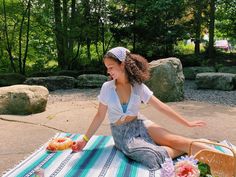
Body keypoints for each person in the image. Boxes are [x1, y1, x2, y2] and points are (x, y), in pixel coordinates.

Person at [72, 47, 211, 170]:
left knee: (176, 140)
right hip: (123, 135)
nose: (108, 71)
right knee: (151, 156)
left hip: (141, 123)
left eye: (111, 67)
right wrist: (84, 140)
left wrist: (187, 123)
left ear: (122, 64)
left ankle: (226, 157)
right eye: (107, 68)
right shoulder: (107, 88)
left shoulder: (138, 86)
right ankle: (190, 148)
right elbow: (99, 116)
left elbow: (161, 107)